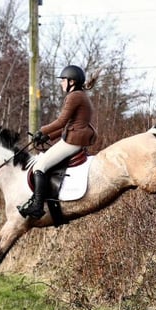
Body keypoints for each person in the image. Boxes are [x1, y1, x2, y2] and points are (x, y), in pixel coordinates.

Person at [18, 65, 97, 218]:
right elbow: (68, 126)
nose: (61, 83)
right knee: (43, 163)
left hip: (73, 141)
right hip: (73, 138)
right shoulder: (80, 95)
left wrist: (41, 130)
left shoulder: (74, 96)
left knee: (39, 167)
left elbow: (61, 122)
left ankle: (38, 207)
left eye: (63, 80)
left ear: (72, 82)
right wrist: (48, 137)